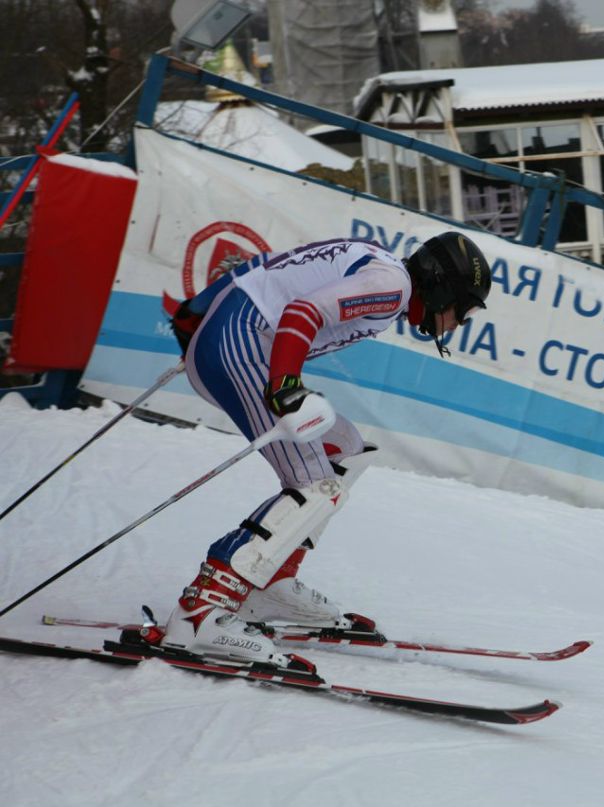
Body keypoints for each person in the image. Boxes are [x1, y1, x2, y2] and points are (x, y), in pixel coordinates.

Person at [154, 232, 491, 669]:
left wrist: (192, 316)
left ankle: (270, 582)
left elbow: (268, 268)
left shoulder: (379, 264)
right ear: (444, 288)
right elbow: (303, 310)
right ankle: (201, 611)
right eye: (462, 311)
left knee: (345, 448)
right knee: (316, 483)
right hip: (240, 346)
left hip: (231, 341)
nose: (457, 323)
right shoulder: (390, 288)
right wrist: (286, 385)